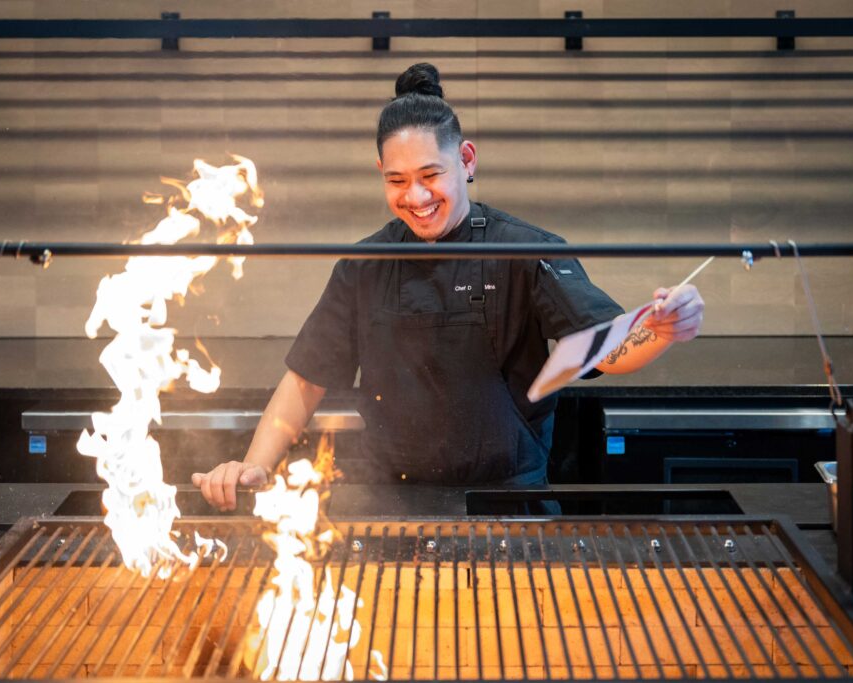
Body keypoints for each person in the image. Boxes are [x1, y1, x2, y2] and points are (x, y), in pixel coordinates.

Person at [192, 63, 704, 510]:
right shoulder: (365, 265)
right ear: (380, 173)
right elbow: (304, 381)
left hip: (508, 504)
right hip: (388, 506)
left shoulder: (524, 251)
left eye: (430, 174)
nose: (415, 196)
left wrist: (659, 328)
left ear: (467, 159)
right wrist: (256, 464)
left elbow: (606, 349)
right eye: (396, 180)